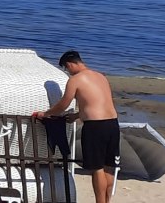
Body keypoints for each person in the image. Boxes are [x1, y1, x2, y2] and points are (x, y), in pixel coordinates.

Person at [35, 50, 119, 203]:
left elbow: (62, 105)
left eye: (66, 69)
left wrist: (45, 114)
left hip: (95, 127)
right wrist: (76, 116)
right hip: (112, 124)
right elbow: (97, 103)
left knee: (97, 168)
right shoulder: (101, 77)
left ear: (70, 64)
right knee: (109, 166)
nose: (68, 72)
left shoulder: (75, 80)